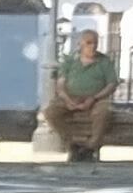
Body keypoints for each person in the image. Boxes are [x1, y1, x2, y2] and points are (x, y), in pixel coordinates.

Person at [49, 18, 118, 164]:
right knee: (51, 112)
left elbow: (111, 84)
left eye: (94, 43)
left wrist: (94, 98)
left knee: (103, 113)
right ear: (80, 44)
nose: (91, 47)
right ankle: (72, 144)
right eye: (88, 43)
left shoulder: (104, 61)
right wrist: (67, 100)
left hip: (96, 98)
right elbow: (60, 84)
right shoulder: (70, 61)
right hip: (72, 96)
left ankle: (90, 147)